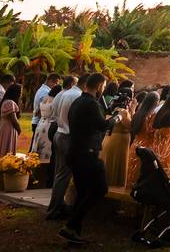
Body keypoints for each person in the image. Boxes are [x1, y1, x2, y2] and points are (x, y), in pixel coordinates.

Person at [58, 73, 129, 245]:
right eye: (103, 86)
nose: (103, 89)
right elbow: (103, 125)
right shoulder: (90, 103)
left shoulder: (78, 101)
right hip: (85, 154)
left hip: (74, 152)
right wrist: (118, 117)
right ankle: (69, 227)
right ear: (99, 86)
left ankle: (74, 234)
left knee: (82, 193)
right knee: (100, 189)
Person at [45, 75, 82, 220]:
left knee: (59, 172)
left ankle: (60, 205)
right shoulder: (75, 95)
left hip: (58, 130)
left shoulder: (62, 93)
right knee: (63, 174)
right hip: (66, 134)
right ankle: (54, 209)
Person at [100, 91, 137, 188]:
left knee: (109, 166)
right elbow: (132, 127)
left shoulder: (112, 110)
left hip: (109, 140)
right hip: (118, 143)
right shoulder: (123, 112)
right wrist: (133, 110)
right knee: (115, 168)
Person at [31, 84, 60, 179]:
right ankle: (43, 174)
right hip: (48, 125)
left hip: (41, 124)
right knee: (47, 150)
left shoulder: (43, 100)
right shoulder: (55, 101)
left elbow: (35, 112)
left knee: (38, 147)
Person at [0, 83, 23, 162]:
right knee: (5, 148)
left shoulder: (6, 102)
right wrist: (19, 130)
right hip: (7, 128)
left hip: (5, 127)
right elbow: (14, 120)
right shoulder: (10, 103)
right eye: (20, 93)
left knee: (3, 147)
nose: (21, 95)